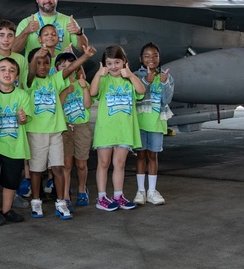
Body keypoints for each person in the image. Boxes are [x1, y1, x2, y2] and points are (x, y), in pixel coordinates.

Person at [25, 45, 96, 219]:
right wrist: (36, 57)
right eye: (38, 63)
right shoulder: (30, 82)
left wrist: (85, 56)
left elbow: (71, 68)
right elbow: (32, 71)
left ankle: (61, 202)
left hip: (56, 131)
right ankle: (36, 201)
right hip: (36, 132)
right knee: (36, 170)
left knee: (58, 167)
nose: (42, 66)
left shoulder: (55, 80)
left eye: (46, 63)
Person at [90, 45, 147, 212]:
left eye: (117, 62)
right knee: (104, 162)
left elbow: (141, 90)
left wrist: (130, 74)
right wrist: (99, 74)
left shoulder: (130, 79)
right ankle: (101, 198)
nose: (113, 66)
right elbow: (93, 92)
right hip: (106, 130)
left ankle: (118, 195)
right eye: (109, 63)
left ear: (124, 62)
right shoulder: (103, 79)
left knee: (120, 163)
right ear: (104, 64)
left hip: (124, 129)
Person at [0, 56, 31, 226]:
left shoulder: (23, 95)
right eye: (2, 69)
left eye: (12, 70)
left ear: (17, 77)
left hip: (15, 146)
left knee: (11, 179)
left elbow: (24, 121)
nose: (7, 73)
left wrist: (22, 118)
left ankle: (6, 209)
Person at [134, 43, 174, 205]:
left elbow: (167, 100)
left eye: (155, 55)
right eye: (147, 56)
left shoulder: (166, 76)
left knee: (153, 155)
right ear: (141, 59)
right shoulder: (136, 75)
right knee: (141, 155)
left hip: (157, 122)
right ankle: (140, 191)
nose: (151, 59)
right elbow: (137, 95)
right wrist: (145, 81)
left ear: (159, 57)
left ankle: (151, 190)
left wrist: (164, 83)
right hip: (140, 121)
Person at [56, 52, 92, 209]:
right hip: (65, 128)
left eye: (70, 63)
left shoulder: (83, 83)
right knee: (67, 164)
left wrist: (84, 88)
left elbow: (88, 104)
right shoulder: (57, 85)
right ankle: (65, 195)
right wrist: (65, 91)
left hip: (81, 127)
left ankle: (82, 190)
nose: (66, 66)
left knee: (81, 163)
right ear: (57, 68)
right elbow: (57, 106)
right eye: (62, 64)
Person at [14, 0, 88, 55]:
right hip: (36, 67)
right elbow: (14, 50)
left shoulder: (68, 21)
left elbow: (83, 48)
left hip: (63, 67)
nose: (47, 0)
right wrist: (26, 31)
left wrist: (79, 33)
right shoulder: (26, 22)